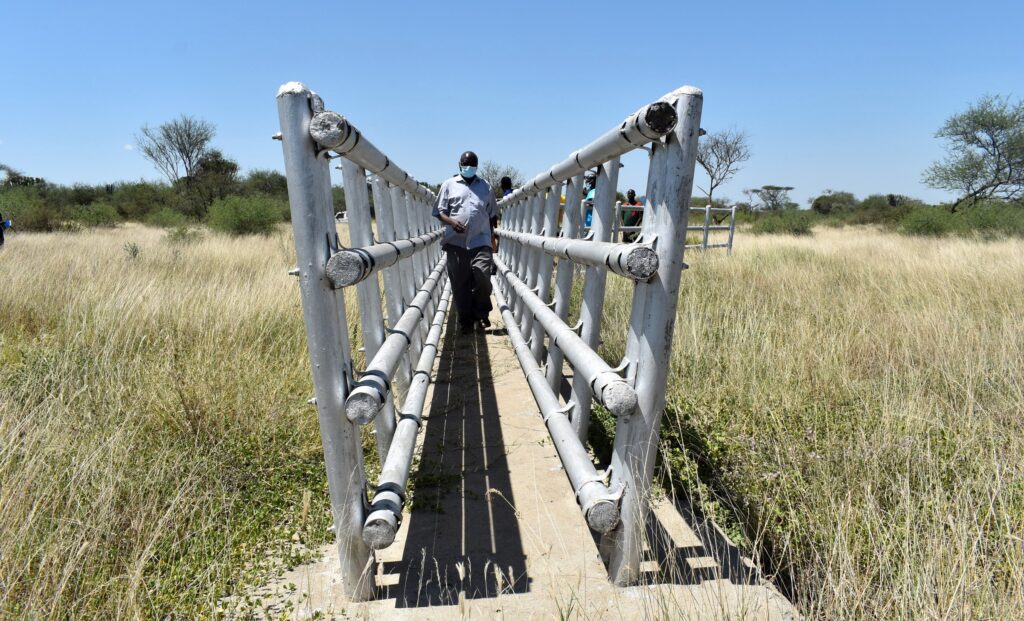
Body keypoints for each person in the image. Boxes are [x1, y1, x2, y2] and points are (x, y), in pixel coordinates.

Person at [432, 151, 498, 335]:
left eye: (472, 164)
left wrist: (493, 240)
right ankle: (465, 320)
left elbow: (493, 216)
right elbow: (438, 212)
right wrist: (452, 222)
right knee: (460, 283)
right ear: (459, 164)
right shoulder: (448, 185)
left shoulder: (486, 187)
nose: (469, 167)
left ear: (477, 166)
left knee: (483, 276)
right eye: (466, 163)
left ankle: (481, 311)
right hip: (456, 242)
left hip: (481, 240)